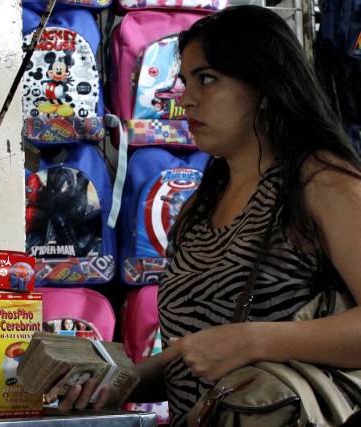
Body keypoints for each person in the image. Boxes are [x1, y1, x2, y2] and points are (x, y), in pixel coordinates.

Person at [52, 6, 361, 426]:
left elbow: (236, 346)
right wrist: (125, 380)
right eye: (184, 81)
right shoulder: (202, 202)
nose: (185, 98)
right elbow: (199, 355)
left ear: (265, 86)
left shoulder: (319, 183)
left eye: (208, 79)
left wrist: (253, 341)